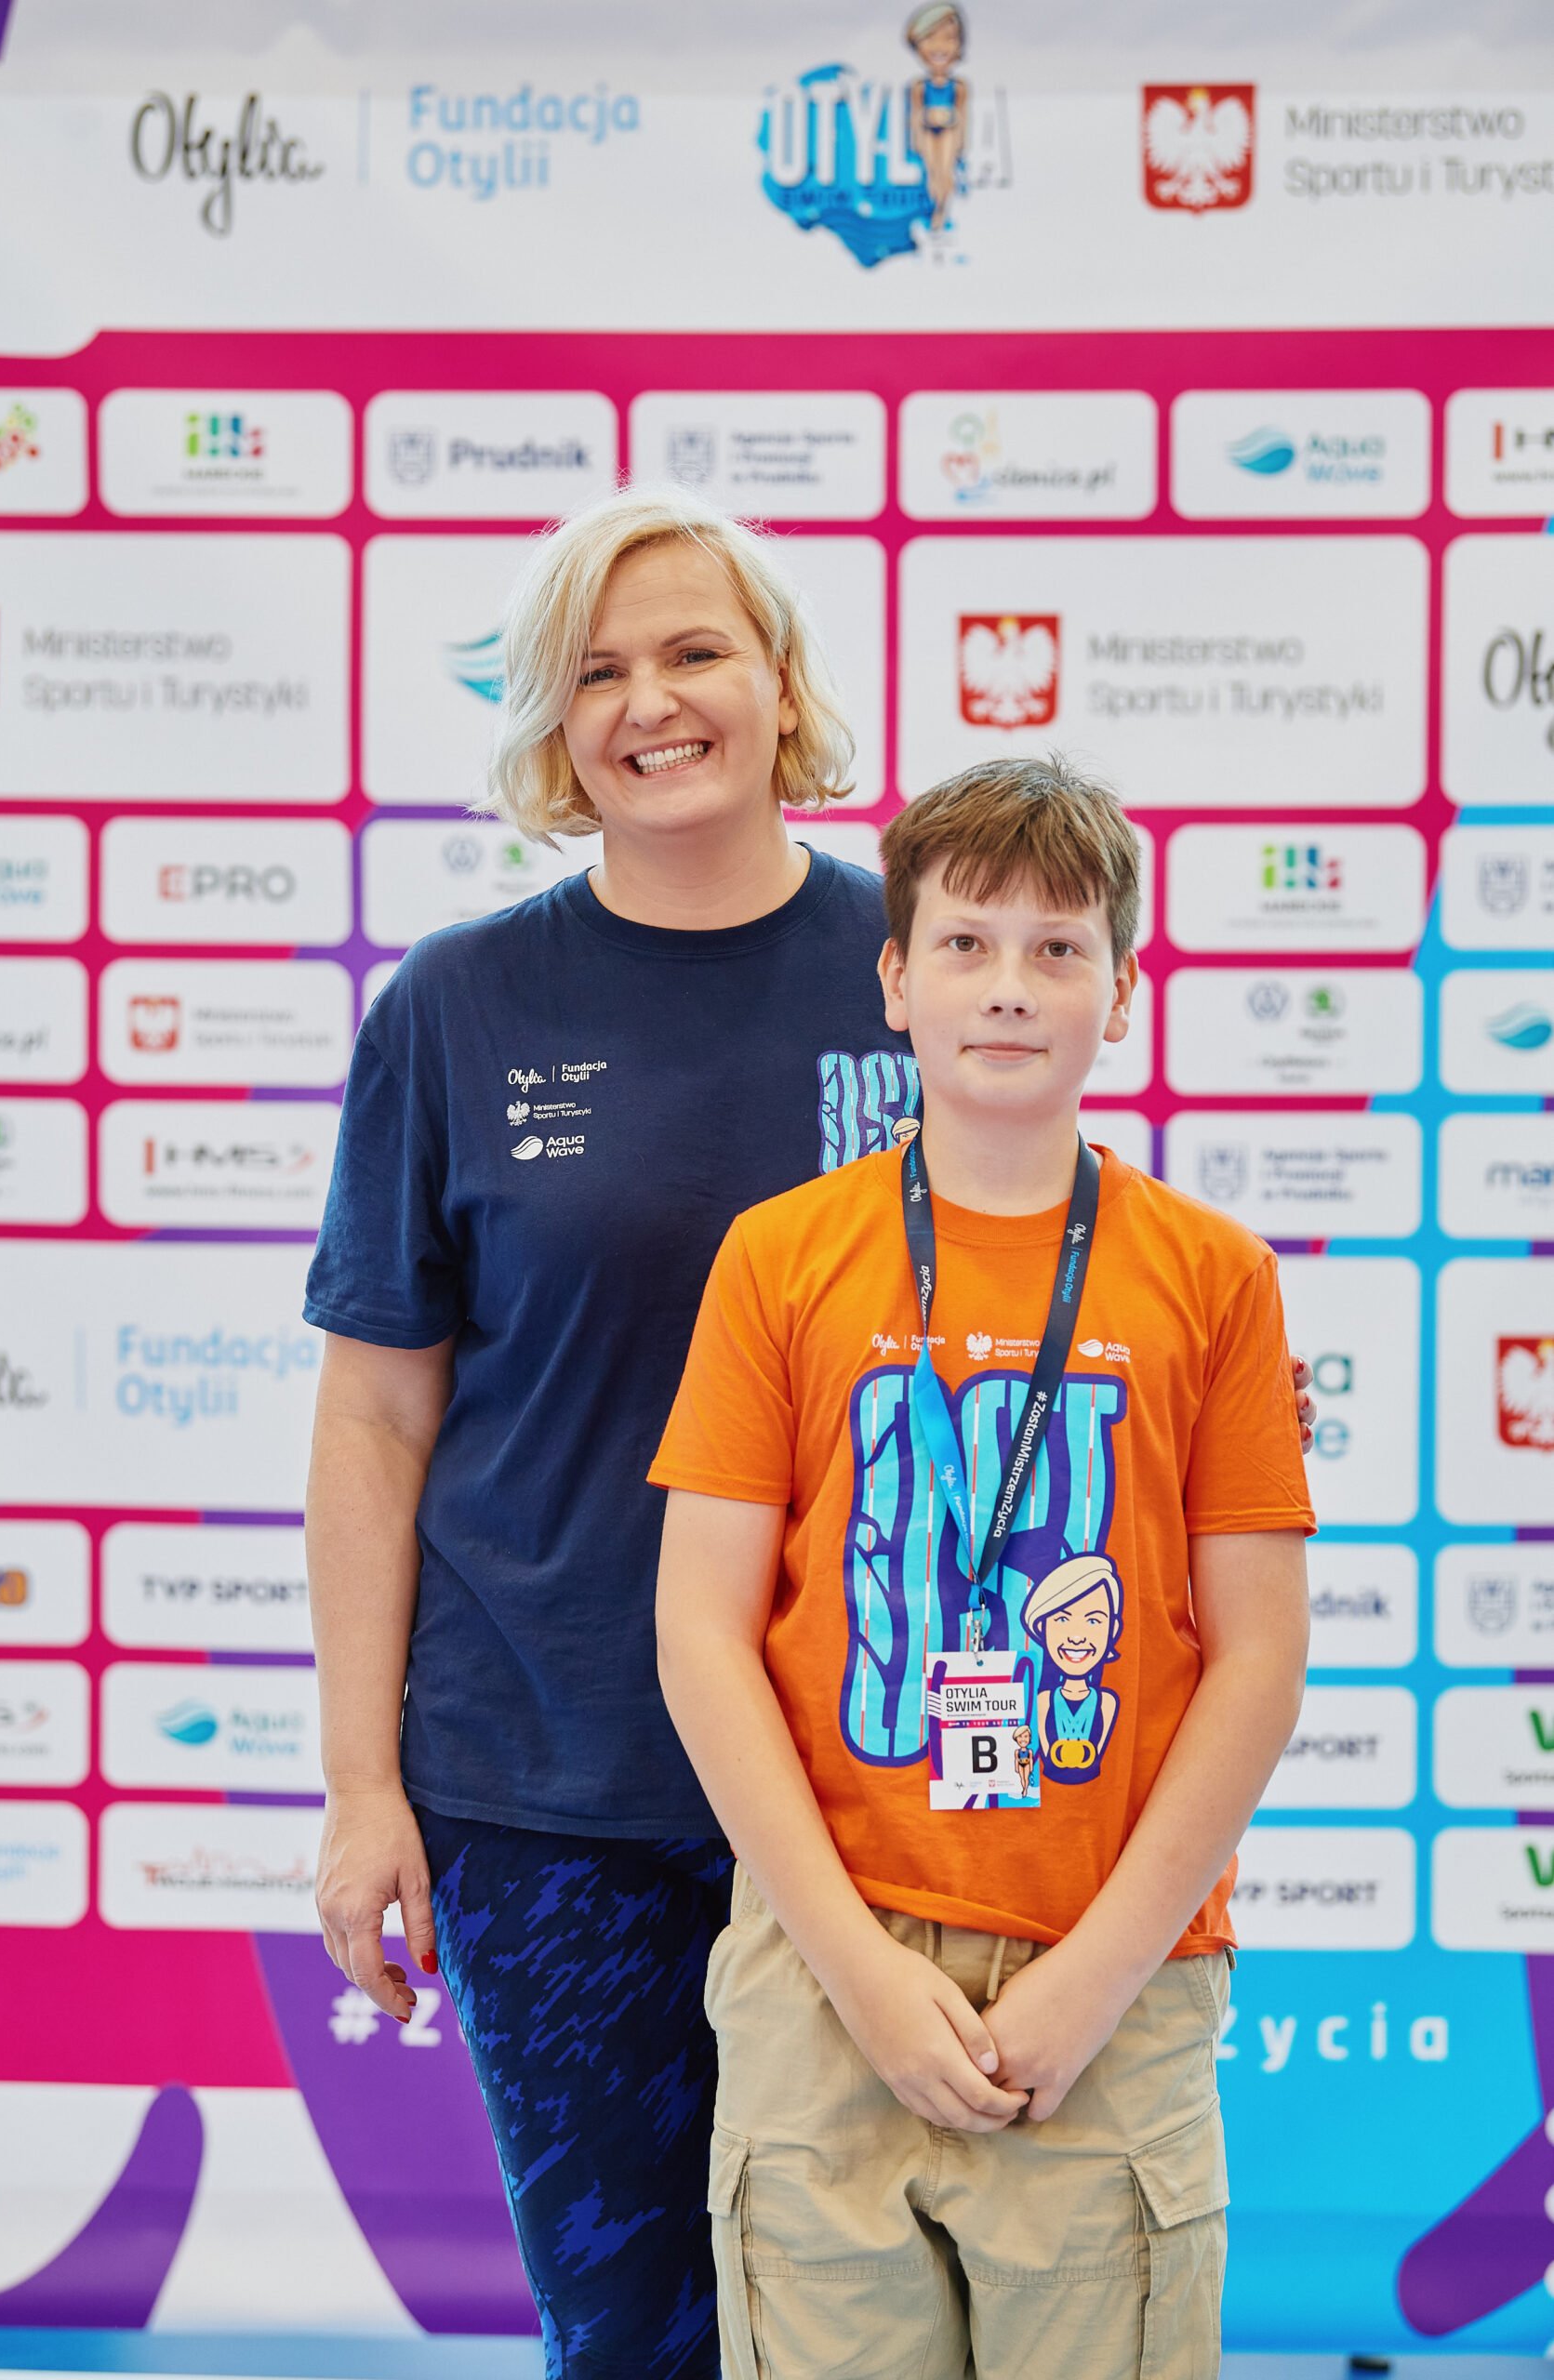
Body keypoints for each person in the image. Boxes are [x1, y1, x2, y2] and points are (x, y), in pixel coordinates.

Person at [301, 488, 922, 2379]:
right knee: (635, 2336)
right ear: (550, 725)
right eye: (595, 672)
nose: (650, 702)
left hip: (875, 1774)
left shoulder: (924, 970)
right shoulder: (456, 1005)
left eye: (693, 650)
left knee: (871, 2333)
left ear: (781, 681)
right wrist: (360, 1788)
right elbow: (375, 1417)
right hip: (549, 1789)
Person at [653, 756, 1316, 2380]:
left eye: (1056, 948)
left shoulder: (1214, 1279)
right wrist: (856, 1975)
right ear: (893, 980)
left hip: (1115, 1985)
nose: (1007, 987)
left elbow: (1257, 1661)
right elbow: (700, 1631)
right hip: (825, 1976)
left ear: (1121, 992)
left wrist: (1094, 1983)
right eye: (964, 943)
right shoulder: (779, 1260)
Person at [906, 3, 969, 233]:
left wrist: (961, 141)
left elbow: (962, 114)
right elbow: (915, 115)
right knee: (933, 172)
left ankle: (942, 210)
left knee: (945, 170)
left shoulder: (959, 86)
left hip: (949, 131)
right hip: (928, 132)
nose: (939, 47)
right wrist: (916, 139)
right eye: (930, 38)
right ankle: (936, 209)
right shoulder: (919, 86)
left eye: (949, 38)